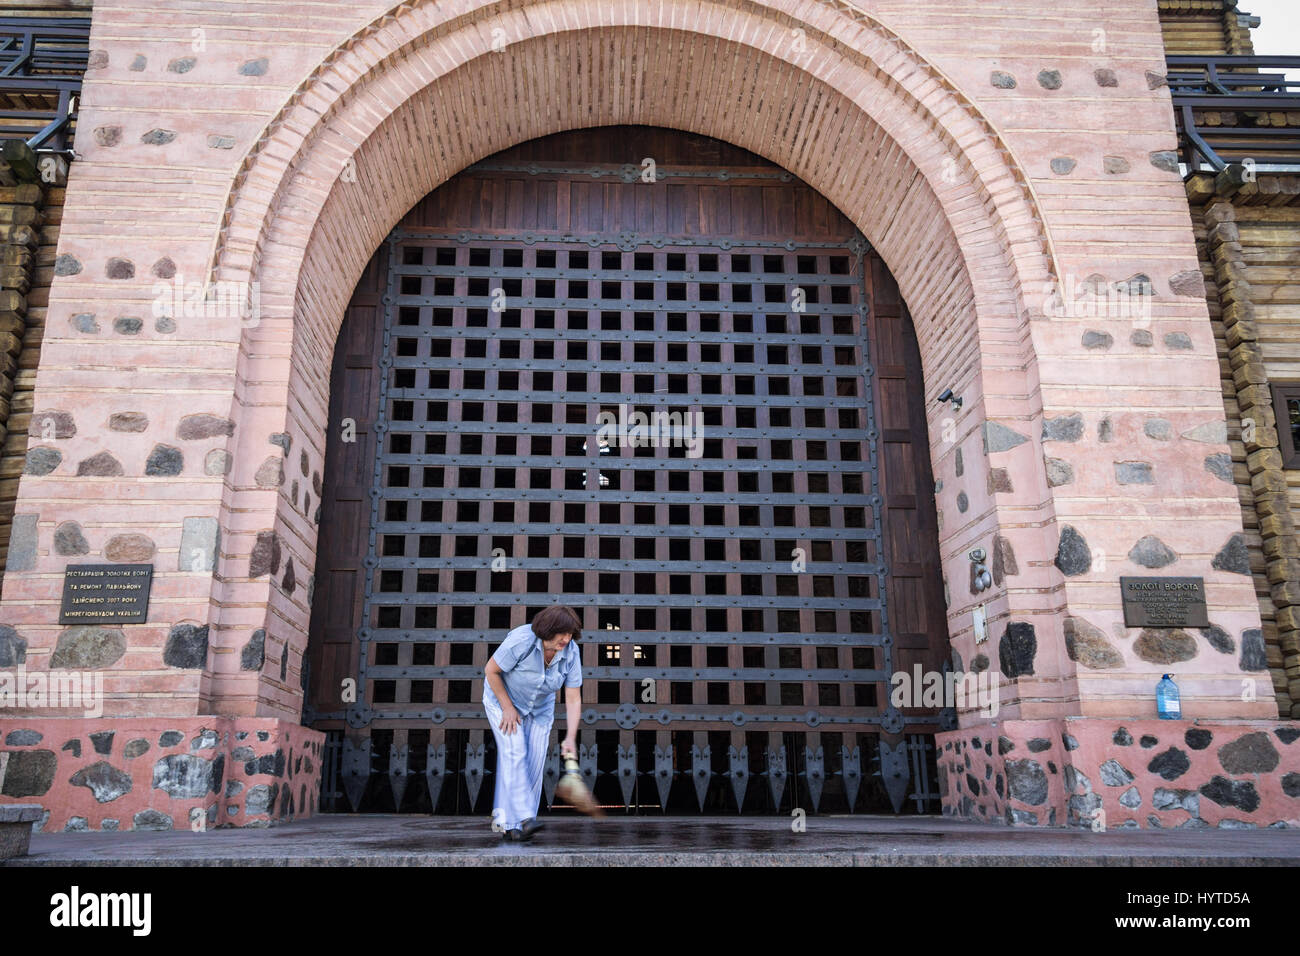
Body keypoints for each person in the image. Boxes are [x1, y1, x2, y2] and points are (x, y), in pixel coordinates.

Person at [482, 604, 584, 841]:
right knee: (514, 752)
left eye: (570, 634)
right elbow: (491, 671)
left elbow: (572, 696)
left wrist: (570, 737)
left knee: (535, 761)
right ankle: (523, 819)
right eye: (562, 633)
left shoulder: (571, 653)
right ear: (548, 629)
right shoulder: (521, 640)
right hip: (503, 701)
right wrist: (507, 707)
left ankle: (514, 826)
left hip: (540, 708)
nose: (566, 639)